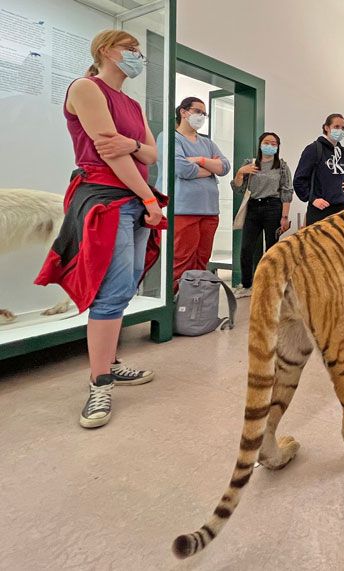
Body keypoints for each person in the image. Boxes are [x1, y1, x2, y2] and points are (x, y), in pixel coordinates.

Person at [34, 30, 166, 428]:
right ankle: (99, 381)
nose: (138, 56)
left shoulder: (131, 103)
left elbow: (150, 152)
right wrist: (147, 197)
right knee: (111, 290)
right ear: (107, 51)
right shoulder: (86, 88)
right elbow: (112, 155)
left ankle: (109, 361)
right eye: (131, 50)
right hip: (108, 198)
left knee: (125, 286)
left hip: (133, 199)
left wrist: (131, 148)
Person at [156, 97, 230, 292]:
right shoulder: (169, 137)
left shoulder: (207, 143)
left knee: (202, 261)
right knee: (181, 262)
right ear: (183, 112)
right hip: (183, 210)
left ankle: (196, 310)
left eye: (204, 114)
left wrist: (198, 160)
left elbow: (225, 167)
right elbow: (182, 169)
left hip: (209, 211)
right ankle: (177, 310)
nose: (201, 116)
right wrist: (210, 167)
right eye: (198, 111)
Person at [230, 132, 293, 298]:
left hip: (273, 207)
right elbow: (238, 188)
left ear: (278, 147)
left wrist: (284, 217)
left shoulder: (282, 166)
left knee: (272, 248)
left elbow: (287, 192)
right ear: (260, 144)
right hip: (253, 207)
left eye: (274, 144)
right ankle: (246, 285)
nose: (270, 146)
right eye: (267, 142)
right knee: (246, 248)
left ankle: (272, 285)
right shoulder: (249, 164)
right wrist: (240, 172)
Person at [293, 113, 344, 225]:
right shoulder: (313, 149)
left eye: (343, 128)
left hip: (342, 210)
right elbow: (299, 180)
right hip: (320, 211)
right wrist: (313, 199)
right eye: (336, 127)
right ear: (326, 127)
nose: (340, 130)